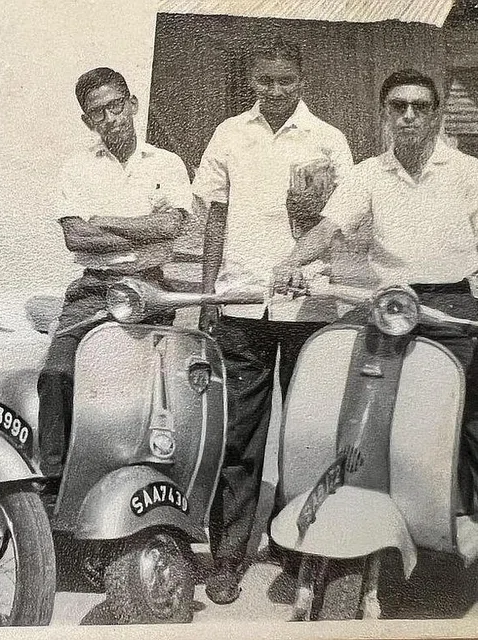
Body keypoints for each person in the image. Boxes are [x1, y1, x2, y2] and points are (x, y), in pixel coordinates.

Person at [274, 69, 478, 530]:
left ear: (436, 115)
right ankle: (367, 500)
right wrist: (290, 262)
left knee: (462, 410)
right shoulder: (368, 174)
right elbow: (327, 228)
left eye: (420, 108)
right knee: (368, 399)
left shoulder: (467, 173)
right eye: (398, 107)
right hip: (389, 306)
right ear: (385, 114)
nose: (409, 116)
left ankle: (466, 516)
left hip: (453, 303)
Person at [192, 36, 353, 604]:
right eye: (265, 81)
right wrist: (210, 295)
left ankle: (295, 551)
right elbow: (216, 217)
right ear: (252, 82)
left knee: (306, 434)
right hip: (240, 303)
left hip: (307, 304)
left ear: (302, 79)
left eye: (285, 80)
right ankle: (227, 556)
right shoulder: (228, 134)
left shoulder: (329, 140)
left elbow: (344, 226)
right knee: (238, 434)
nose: (275, 91)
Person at [37, 67, 191, 481]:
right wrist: (140, 227)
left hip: (148, 286)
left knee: (149, 386)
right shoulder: (76, 168)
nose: (110, 119)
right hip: (92, 288)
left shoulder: (166, 163)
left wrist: (103, 220)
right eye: (98, 113)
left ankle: (154, 475)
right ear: (88, 121)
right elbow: (74, 236)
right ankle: (52, 480)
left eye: (116, 106)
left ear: (133, 105)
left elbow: (171, 228)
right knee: (56, 375)